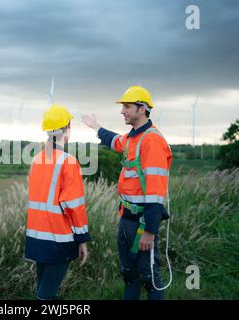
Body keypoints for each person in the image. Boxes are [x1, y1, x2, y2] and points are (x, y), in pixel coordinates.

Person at [82, 85, 172, 300]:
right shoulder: (133, 137)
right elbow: (115, 141)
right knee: (129, 275)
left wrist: (149, 231)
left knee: (150, 279)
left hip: (142, 223)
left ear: (142, 109)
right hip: (127, 219)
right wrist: (96, 127)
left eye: (127, 106)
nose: (122, 111)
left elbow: (155, 191)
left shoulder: (152, 140)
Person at [25, 103, 91, 300]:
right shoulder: (68, 161)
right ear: (68, 130)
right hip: (57, 239)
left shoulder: (37, 160)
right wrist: (83, 239)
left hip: (36, 238)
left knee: (44, 292)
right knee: (45, 296)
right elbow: (74, 206)